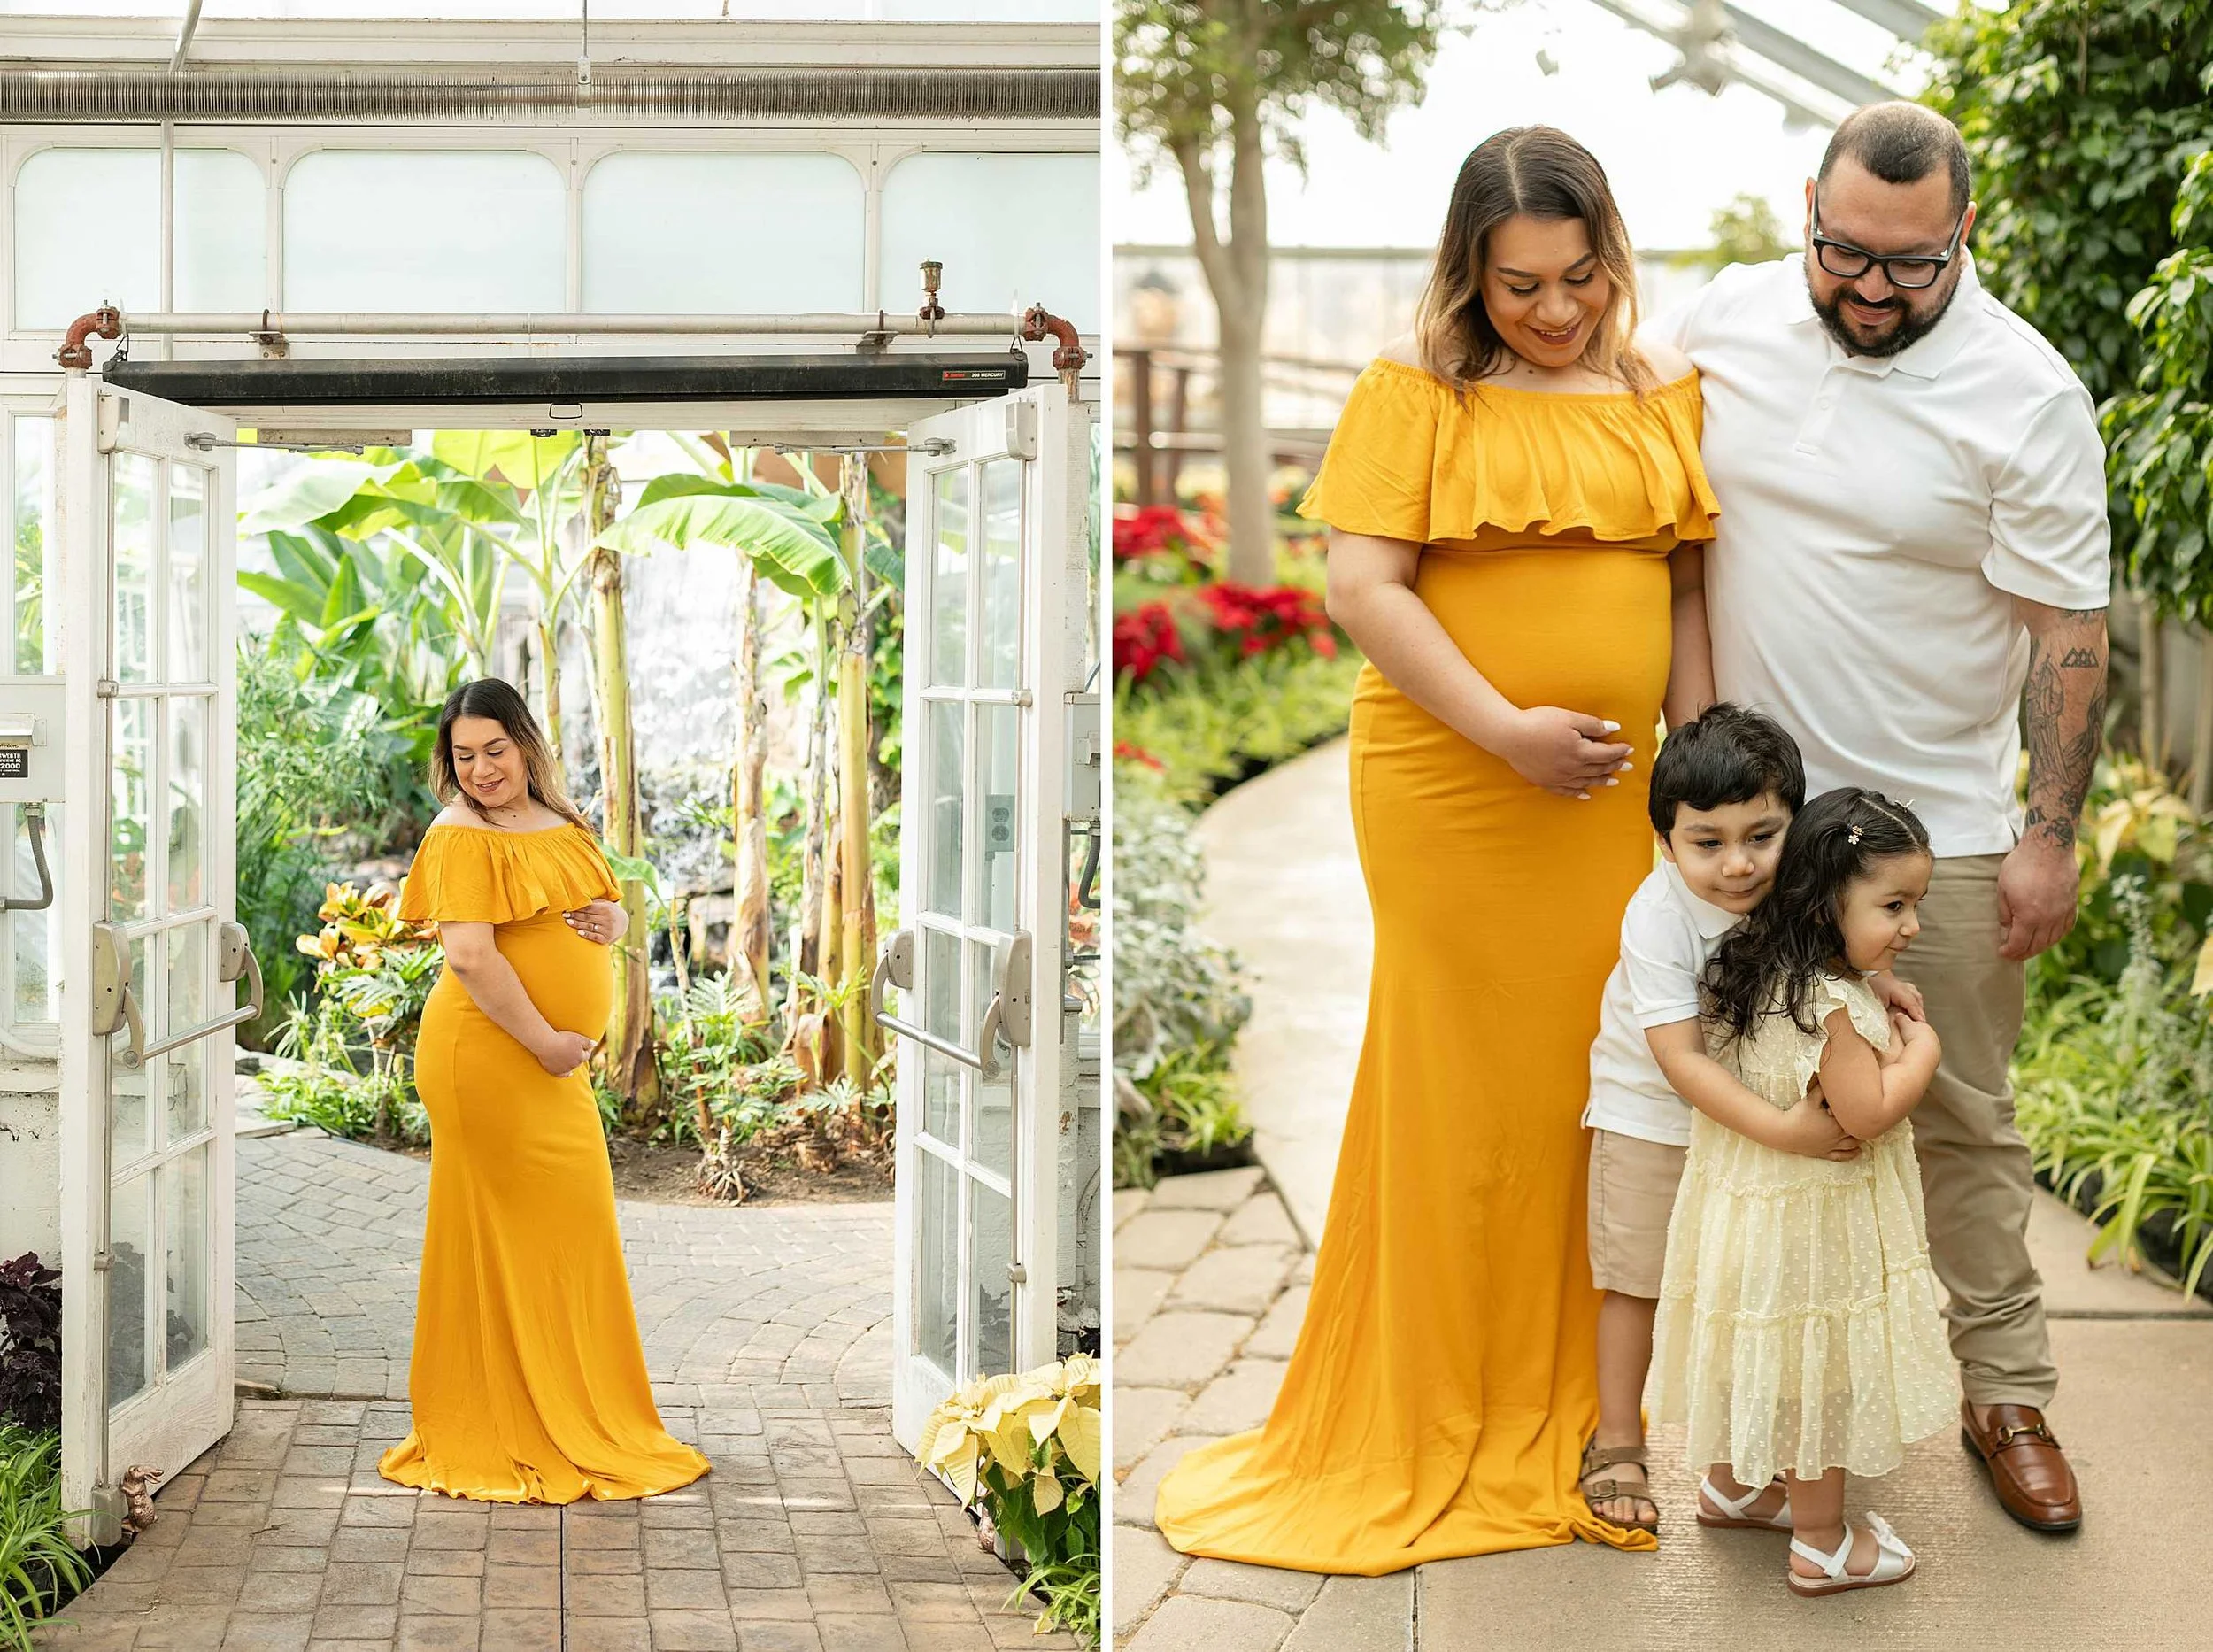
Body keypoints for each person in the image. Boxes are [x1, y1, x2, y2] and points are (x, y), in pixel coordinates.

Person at [1153, 126, 1719, 1572]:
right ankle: (1438, 1397)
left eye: (1580, 276)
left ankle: (1587, 1412)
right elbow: (1363, 589)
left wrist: (1694, 779)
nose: (1554, 310)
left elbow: (1689, 593)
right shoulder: (1416, 392)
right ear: (1470, 271)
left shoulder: (1662, 392)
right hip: (1452, 789)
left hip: (1608, 806)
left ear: (1613, 253)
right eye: (1520, 283)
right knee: (1466, 1084)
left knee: (1594, 1092)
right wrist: (1508, 732)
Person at [1649, 100, 2108, 1532]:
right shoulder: (1731, 313)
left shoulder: (2025, 393)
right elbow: (1597, 395)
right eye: (1843, 252)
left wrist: (2048, 832)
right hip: (1755, 829)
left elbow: (2068, 637)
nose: (1869, 289)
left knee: (1960, 1118)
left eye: (1910, 267)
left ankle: (2008, 1392)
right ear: (1811, 208)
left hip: (1937, 836)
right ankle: (1762, 1417)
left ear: (1963, 235)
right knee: (1755, 1124)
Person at [1576, 704, 1925, 1535]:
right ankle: (1621, 1437)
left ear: (1794, 828)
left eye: (1761, 836)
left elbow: (1820, 957)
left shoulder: (1796, 886)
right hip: (1655, 1114)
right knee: (1640, 1278)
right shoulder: (1659, 915)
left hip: (1749, 1132)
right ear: (1667, 841)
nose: (1737, 865)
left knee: (1742, 1287)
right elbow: (1681, 1059)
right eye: (1708, 842)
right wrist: (1786, 1134)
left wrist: (1875, 988)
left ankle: (1746, 1464)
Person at [378, 678, 710, 1504]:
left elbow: (604, 905)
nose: (483, 769)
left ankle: (565, 1407)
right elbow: (470, 957)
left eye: (496, 749)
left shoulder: (563, 820)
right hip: (488, 1058)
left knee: (567, 1232)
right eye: (465, 756)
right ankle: (509, 1422)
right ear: (449, 765)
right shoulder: (459, 834)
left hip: (547, 1061)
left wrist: (615, 925)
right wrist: (548, 1043)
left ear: (526, 743)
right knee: (512, 1236)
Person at [1646, 789, 1955, 1594]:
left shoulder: (1754, 965)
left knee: (1760, 1351)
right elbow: (1870, 1111)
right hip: (1815, 1230)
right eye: (1894, 905)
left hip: (1747, 1213)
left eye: (1915, 904)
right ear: (1825, 905)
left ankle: (1735, 1485)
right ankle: (1821, 1543)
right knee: (1820, 1377)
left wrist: (1875, 974)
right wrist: (1923, 1050)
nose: (1911, 926)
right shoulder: (1832, 1007)